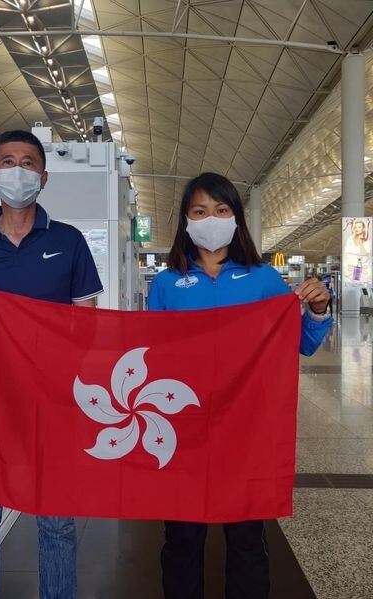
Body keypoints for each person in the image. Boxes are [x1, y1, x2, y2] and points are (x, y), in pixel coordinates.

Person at [148, 172, 332, 599]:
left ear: (236, 218)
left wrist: (319, 310)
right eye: (200, 211)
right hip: (185, 429)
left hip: (246, 429)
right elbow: (152, 353)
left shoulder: (263, 280)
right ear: (185, 221)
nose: (210, 219)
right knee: (181, 539)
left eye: (221, 210)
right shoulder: (167, 283)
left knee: (247, 539)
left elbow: (300, 344)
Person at [0, 130, 103, 599]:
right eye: (8, 162)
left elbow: (87, 325)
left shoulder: (69, 241)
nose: (19, 170)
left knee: (56, 521)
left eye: (29, 162)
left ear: (44, 176)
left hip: (53, 401)